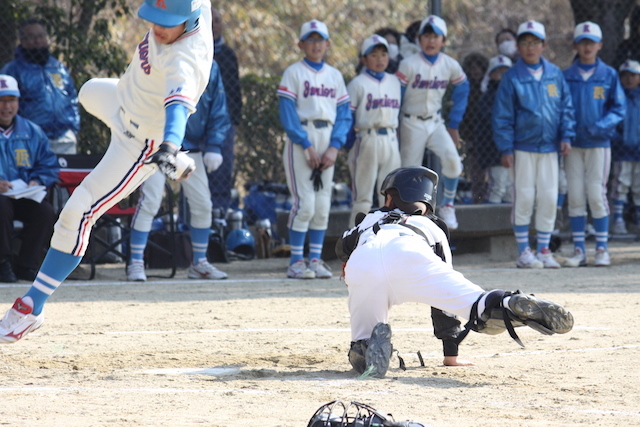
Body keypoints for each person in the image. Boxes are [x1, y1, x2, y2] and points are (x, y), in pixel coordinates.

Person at [0, 0, 214, 344]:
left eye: (167, 21)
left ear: (189, 23)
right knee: (86, 91)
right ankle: (176, 156)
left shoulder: (184, 62)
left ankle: (29, 308)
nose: (157, 27)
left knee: (77, 212)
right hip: (121, 101)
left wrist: (170, 146)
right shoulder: (195, 7)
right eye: (154, 18)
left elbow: (177, 111)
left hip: (138, 142)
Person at [336, 166, 574, 378]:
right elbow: (443, 308)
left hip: (364, 262)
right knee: (480, 307)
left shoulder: (369, 220)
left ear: (389, 198)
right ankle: (507, 303)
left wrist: (347, 260)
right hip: (411, 253)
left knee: (362, 343)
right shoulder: (432, 226)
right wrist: (451, 353)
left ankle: (366, 351)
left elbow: (342, 245)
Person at [127, 60, 230, 282]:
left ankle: (199, 263)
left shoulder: (210, 63)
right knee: (151, 201)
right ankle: (135, 262)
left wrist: (214, 145)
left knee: (203, 204)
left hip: (190, 146)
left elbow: (217, 106)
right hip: (155, 142)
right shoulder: (158, 52)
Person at [493, 20, 576, 269]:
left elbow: (565, 109)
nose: (530, 48)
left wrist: (566, 135)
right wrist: (506, 148)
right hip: (522, 148)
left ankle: (543, 250)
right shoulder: (512, 77)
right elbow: (502, 116)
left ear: (544, 45)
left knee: (550, 197)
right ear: (518, 47)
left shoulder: (554, 74)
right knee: (524, 197)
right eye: (525, 43)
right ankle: (523, 251)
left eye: (535, 43)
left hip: (550, 148)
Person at [276, 19, 351, 279]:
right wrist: (305, 144)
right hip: (302, 138)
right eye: (311, 39)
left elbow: (343, 115)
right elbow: (287, 113)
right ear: (301, 44)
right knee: (305, 203)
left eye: (320, 40)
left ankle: (316, 259)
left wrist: (334, 146)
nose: (316, 44)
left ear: (328, 44)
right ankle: (296, 261)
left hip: (327, 136)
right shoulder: (294, 72)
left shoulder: (334, 76)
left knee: (322, 204)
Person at [396, 15, 470, 230]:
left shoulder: (449, 64)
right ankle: (408, 213)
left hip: (436, 122)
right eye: (426, 35)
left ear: (443, 41)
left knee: (453, 162)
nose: (430, 41)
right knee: (409, 171)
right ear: (419, 39)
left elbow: (463, 87)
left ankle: (448, 204)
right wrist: (396, 124)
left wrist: (454, 124)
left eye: (435, 36)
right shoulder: (408, 64)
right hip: (411, 122)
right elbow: (397, 95)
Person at [562, 22, 625, 268]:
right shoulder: (566, 75)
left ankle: (602, 248)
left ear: (600, 45)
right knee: (576, 195)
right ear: (576, 45)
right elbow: (562, 108)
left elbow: (618, 108)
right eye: (583, 42)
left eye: (592, 42)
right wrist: (566, 134)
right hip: (574, 144)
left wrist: (600, 126)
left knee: (596, 194)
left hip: (599, 143)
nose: (587, 46)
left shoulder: (609, 74)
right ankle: (579, 250)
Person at [0, 74, 58, 283]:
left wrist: (37, 180)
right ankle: (3, 263)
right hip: (2, 199)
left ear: (18, 102)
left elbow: (48, 164)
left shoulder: (33, 132)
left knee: (45, 210)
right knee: (2, 204)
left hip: (24, 195)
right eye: (1, 100)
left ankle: (27, 265)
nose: (6, 106)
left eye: (11, 100)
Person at [0, 18, 80, 154]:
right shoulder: (12, 70)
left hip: (64, 138)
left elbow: (72, 98)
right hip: (30, 138)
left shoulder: (58, 67)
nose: (37, 41)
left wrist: (73, 128)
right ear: (22, 41)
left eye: (41, 36)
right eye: (32, 37)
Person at [346, 35, 401, 227]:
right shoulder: (357, 83)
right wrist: (350, 144)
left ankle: (387, 241)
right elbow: (348, 117)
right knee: (363, 198)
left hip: (391, 140)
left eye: (383, 54)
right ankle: (353, 245)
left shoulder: (395, 81)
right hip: (367, 137)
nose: (379, 59)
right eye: (374, 55)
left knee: (391, 197)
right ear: (364, 59)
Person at [209, 8, 242, 215]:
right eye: (209, 20)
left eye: (217, 21)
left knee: (222, 171)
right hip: (197, 123)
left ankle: (220, 216)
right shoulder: (192, 52)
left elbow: (235, 91)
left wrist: (234, 121)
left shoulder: (228, 55)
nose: (213, 25)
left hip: (224, 124)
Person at [475, 55, 513, 204]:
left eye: (506, 72)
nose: (502, 76)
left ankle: (507, 226)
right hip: (494, 152)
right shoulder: (488, 97)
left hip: (511, 150)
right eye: (498, 72)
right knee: (498, 187)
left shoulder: (513, 94)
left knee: (510, 189)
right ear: (490, 75)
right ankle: (490, 224)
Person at [611, 60, 640, 236]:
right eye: (625, 75)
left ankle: (638, 220)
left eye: (633, 75)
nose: (629, 79)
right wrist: (617, 139)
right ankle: (618, 220)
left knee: (638, 186)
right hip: (622, 150)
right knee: (621, 184)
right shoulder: (617, 96)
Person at [460, 51, 489, 203]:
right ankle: (478, 200)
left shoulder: (488, 88)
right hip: (473, 138)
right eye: (472, 67)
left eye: (479, 67)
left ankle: (491, 199)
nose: (476, 70)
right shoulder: (466, 89)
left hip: (489, 137)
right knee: (476, 173)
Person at [481, 29, 518, 93]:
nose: (505, 43)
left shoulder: (525, 61)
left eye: (508, 40)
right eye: (501, 41)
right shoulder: (494, 64)